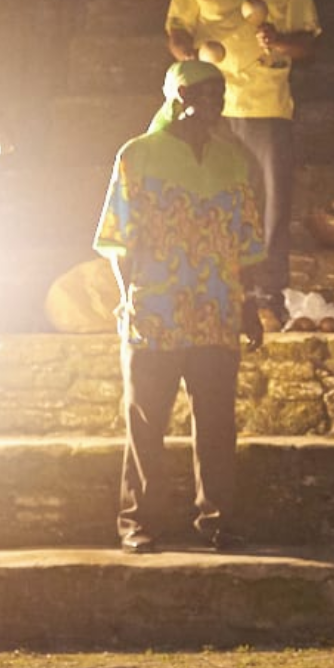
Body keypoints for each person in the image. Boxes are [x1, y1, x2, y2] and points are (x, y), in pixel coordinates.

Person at [95, 59, 264, 555]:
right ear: (177, 97)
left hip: (216, 310)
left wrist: (249, 305)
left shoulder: (233, 160)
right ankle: (138, 522)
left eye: (219, 93)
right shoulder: (138, 155)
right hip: (157, 311)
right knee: (146, 422)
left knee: (217, 423)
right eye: (201, 93)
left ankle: (217, 520)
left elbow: (246, 240)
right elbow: (118, 238)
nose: (213, 102)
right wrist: (129, 298)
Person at [164, 0, 322, 328]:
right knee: (207, 197)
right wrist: (189, 56)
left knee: (269, 205)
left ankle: (266, 293)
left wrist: (280, 42)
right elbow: (176, 29)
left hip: (266, 105)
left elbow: (308, 42)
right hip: (208, 106)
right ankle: (209, 287)